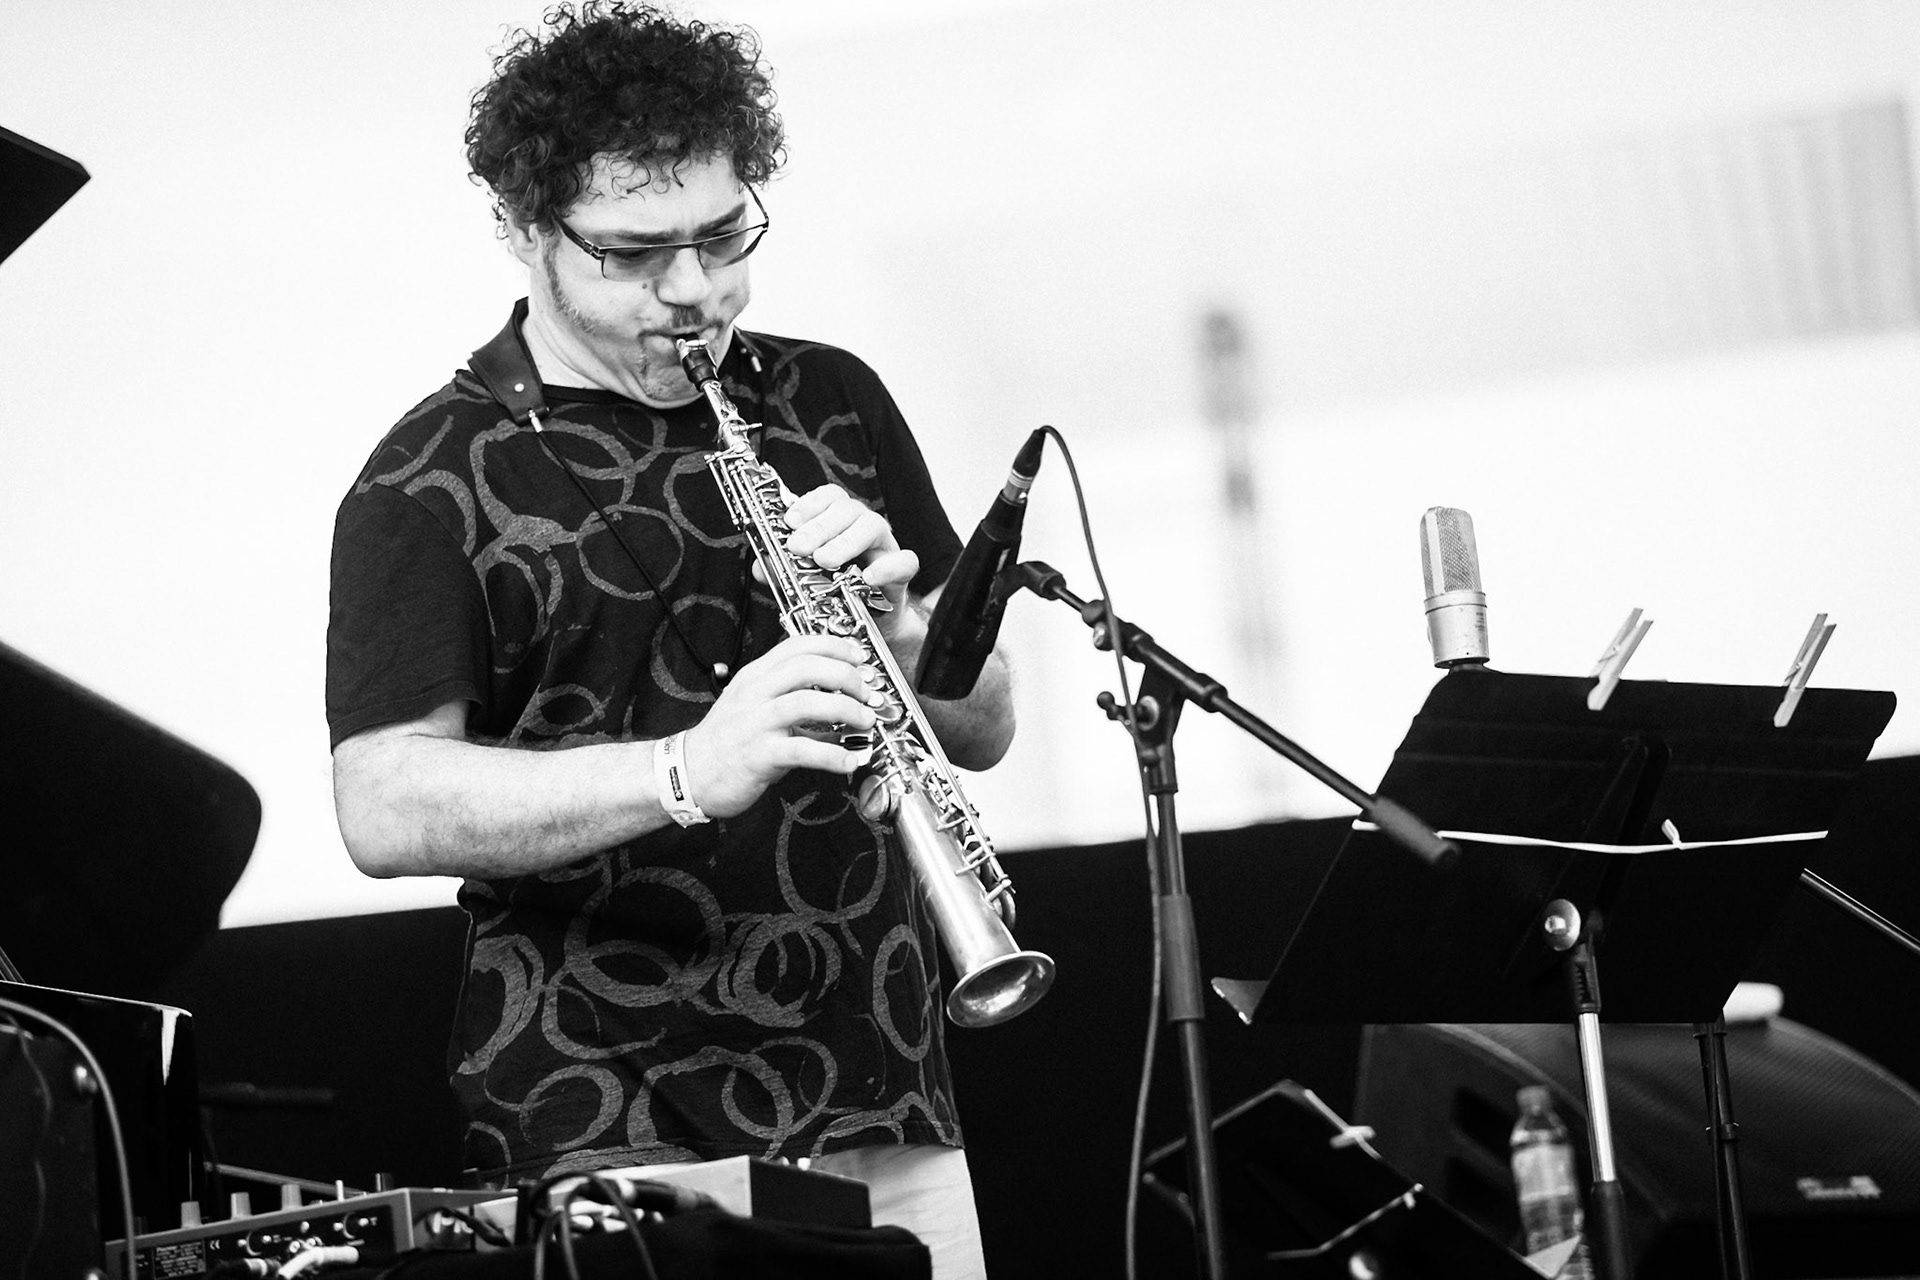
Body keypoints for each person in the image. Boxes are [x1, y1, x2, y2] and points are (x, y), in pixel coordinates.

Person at [324, 4, 1013, 1275]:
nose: (695, 291)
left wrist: (909, 628)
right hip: (610, 1119)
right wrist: (686, 769)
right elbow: (380, 803)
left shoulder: (832, 395)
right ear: (527, 232)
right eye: (637, 255)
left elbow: (982, 725)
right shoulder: (426, 477)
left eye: (721, 237)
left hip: (884, 1091)